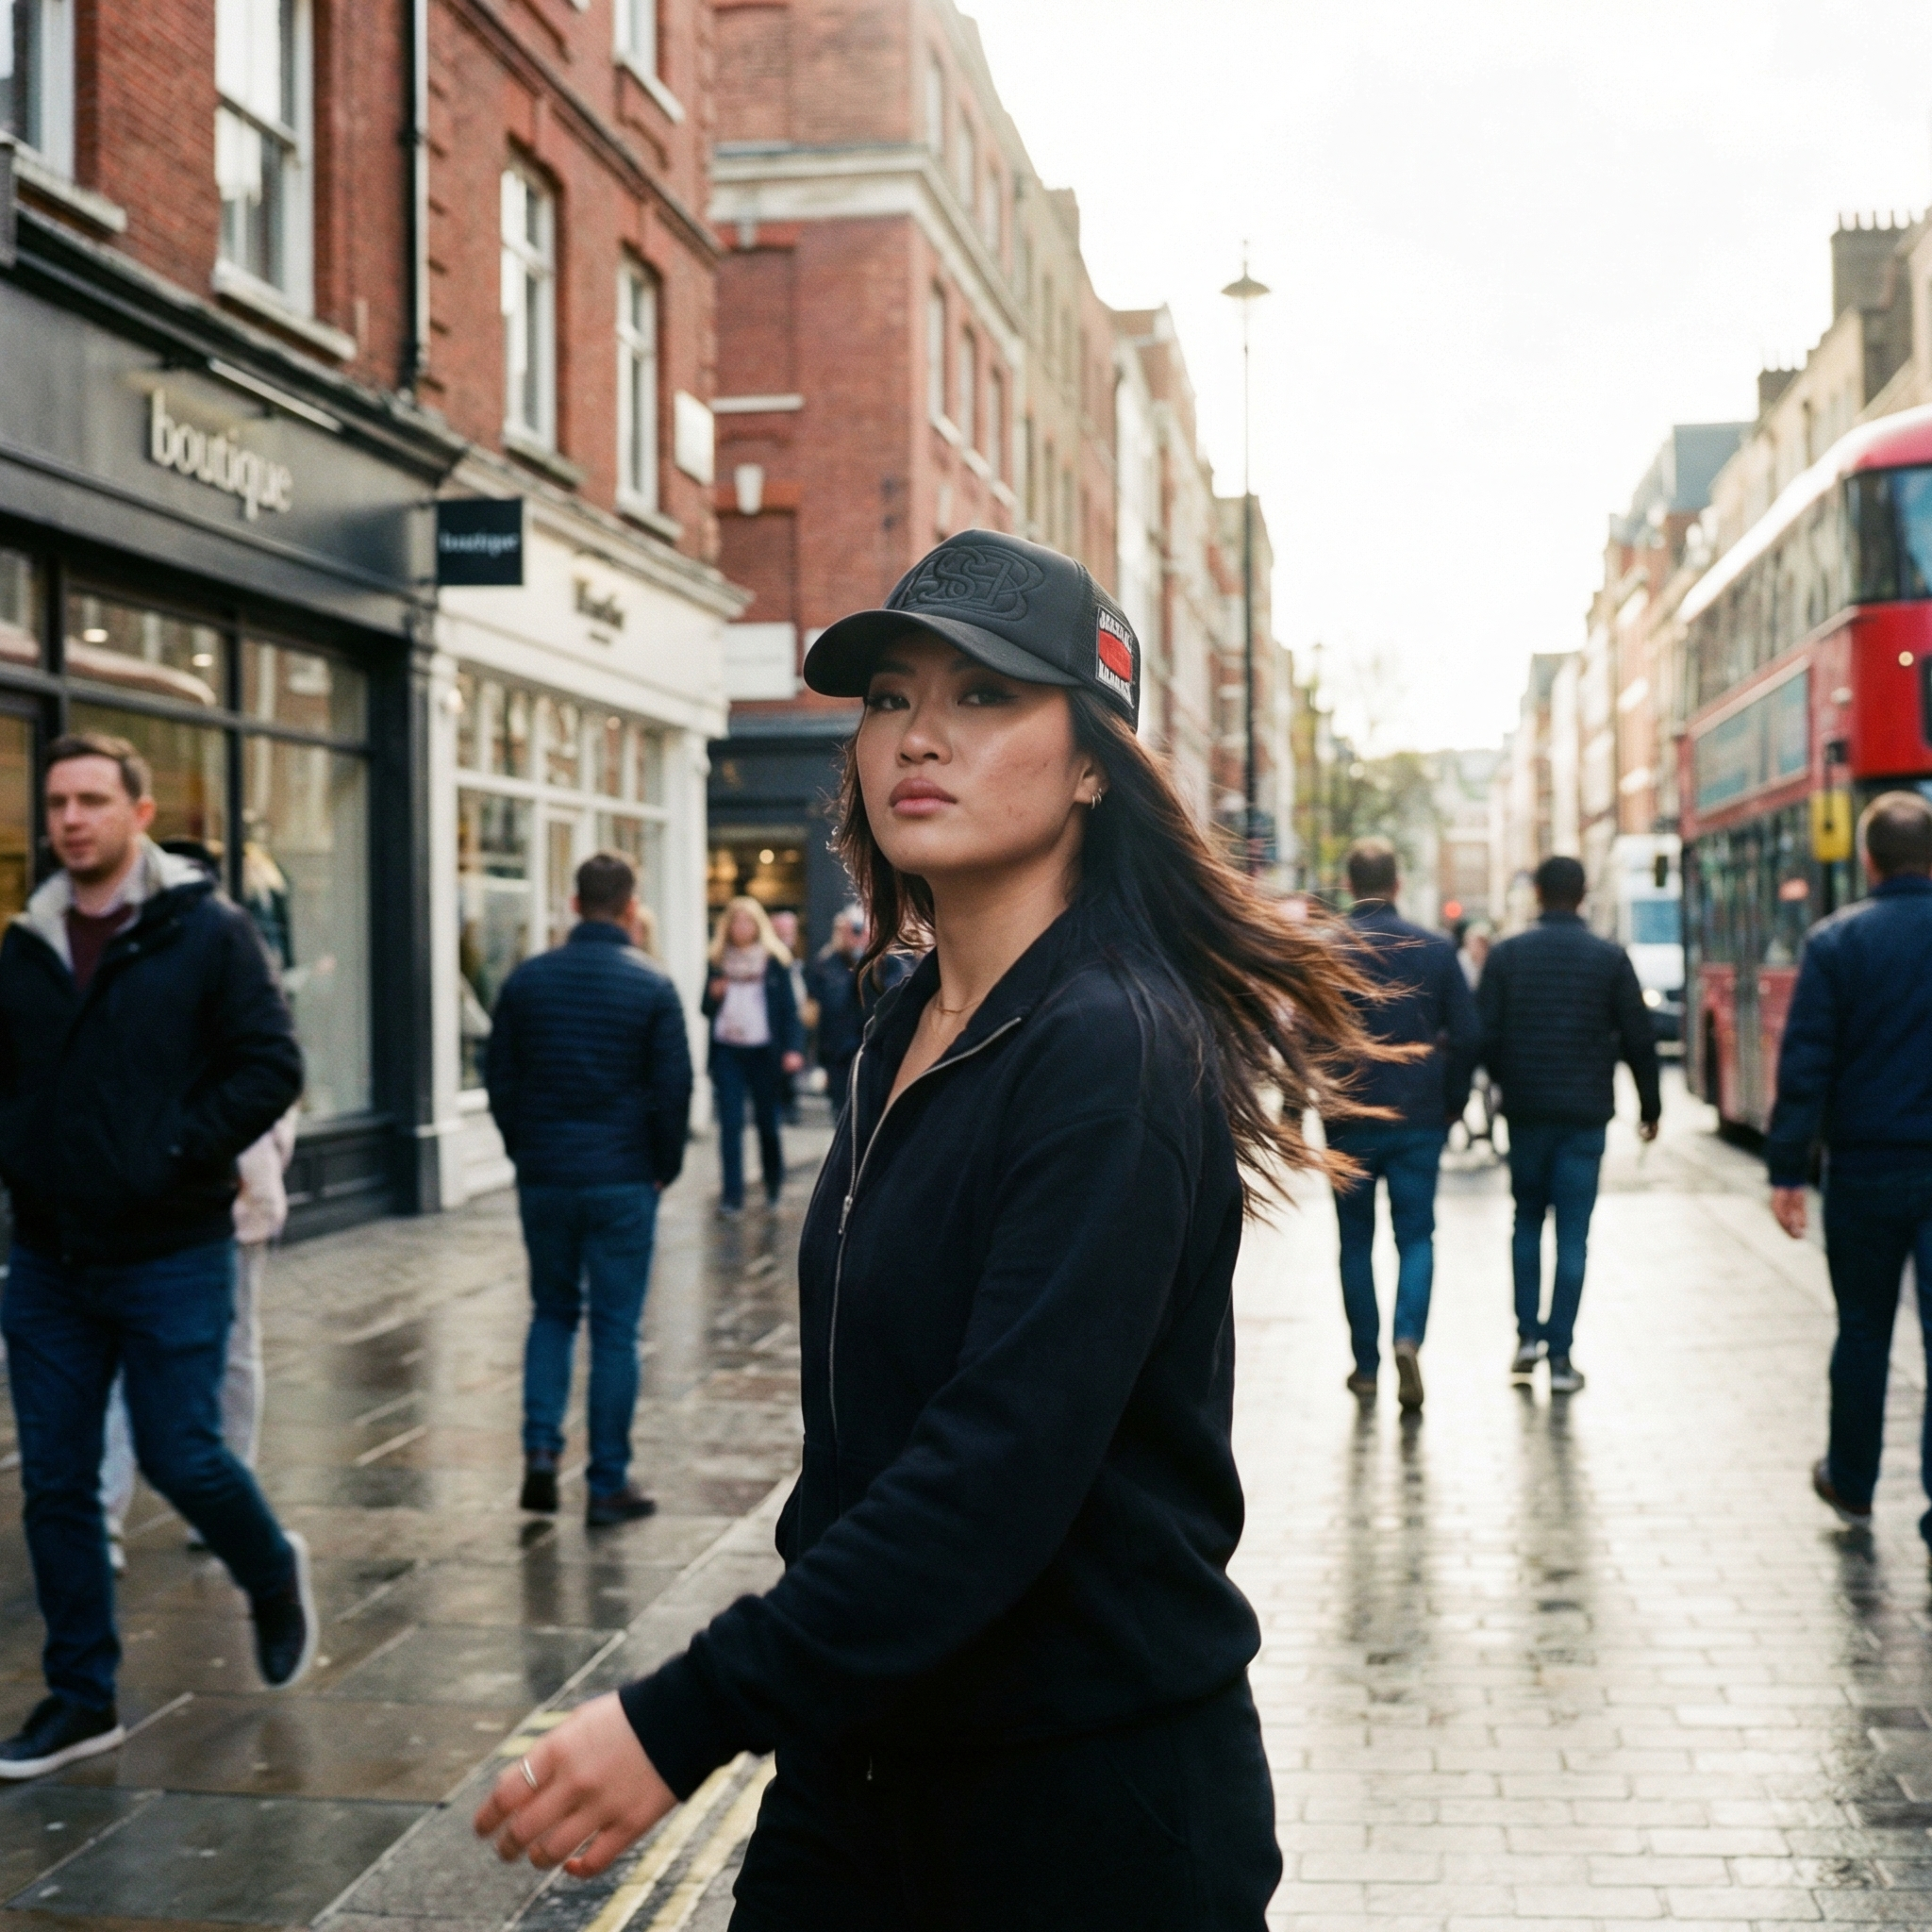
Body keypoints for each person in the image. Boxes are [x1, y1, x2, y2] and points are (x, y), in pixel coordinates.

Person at [475, 526, 1383, 1926]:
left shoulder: (1112, 1045)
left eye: (983, 696)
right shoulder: (902, 1016)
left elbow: (994, 1467)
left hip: (1081, 1805)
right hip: (864, 1765)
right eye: (890, 696)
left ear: (1091, 765)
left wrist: (685, 1715)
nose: (916, 735)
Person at [0, 733, 312, 1780]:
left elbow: (270, 1064)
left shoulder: (207, 931)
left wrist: (174, 1150)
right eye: (57, 803)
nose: (71, 819)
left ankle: (269, 1569)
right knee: (58, 1481)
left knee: (183, 1455)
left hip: (171, 1247)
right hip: (50, 1258)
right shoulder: (29, 941)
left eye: (92, 800)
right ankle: (81, 1697)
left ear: (138, 813)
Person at [485, 852, 692, 1529]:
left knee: (551, 1311)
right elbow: (674, 1090)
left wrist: (523, 1150)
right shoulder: (652, 986)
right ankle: (607, 1482)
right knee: (614, 1330)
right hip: (622, 1175)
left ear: (574, 905)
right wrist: (662, 1166)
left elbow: (500, 1079)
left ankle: (542, 1451)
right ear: (630, 908)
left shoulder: (527, 981)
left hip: (546, 1174)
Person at [1764, 791, 1932, 1537]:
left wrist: (1787, 1171)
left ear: (1869, 860)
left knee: (1862, 1330)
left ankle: (1854, 1481)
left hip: (1864, 1170)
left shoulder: (1836, 943)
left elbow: (1806, 1064)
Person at [1478, 854, 1660, 1393]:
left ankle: (1525, 1338)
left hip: (1527, 1113)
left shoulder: (1507, 956)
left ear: (1536, 893)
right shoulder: (1610, 958)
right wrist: (1650, 1108)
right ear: (1582, 896)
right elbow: (1639, 1038)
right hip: (1584, 1117)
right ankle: (1560, 1355)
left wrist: (1503, 1081)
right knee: (1574, 1235)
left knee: (1526, 1221)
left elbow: (1484, 1034)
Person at [100, 1104, 299, 1570]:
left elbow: (272, 1084)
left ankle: (225, 1505)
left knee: (235, 1350)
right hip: (137, 1199)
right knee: (124, 1352)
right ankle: (103, 1511)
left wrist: (258, 1154)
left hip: (236, 1199)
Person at [1325, 838, 1477, 1412]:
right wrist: (1453, 1101)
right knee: (1416, 1237)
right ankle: (1407, 1337)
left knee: (1354, 1242)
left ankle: (1365, 1366)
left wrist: (1307, 1101)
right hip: (1418, 1115)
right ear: (1396, 884)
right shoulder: (1435, 949)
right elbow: (1468, 1034)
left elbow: (1304, 1036)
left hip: (1347, 1117)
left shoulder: (1325, 948)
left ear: (1348, 884)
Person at [702, 897, 804, 1214]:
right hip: (728, 1050)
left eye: (747, 921)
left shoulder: (774, 960)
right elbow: (705, 1008)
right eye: (736, 922)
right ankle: (732, 1195)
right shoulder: (717, 960)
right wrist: (714, 995)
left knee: (767, 1123)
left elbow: (789, 1010)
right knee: (730, 1125)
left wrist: (793, 1048)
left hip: (764, 1052)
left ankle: (773, 1184)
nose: (742, 928)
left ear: (758, 925)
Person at [804, 905, 910, 1113]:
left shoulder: (889, 962)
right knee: (842, 1110)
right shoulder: (827, 963)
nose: (858, 935)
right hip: (840, 1051)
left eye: (863, 930)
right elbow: (829, 1006)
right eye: (853, 929)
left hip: (878, 1049)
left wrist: (871, 958)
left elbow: (891, 999)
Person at [769, 910, 811, 1124]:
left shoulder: (796, 961)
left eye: (790, 932)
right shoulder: (774, 961)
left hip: (796, 1023)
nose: (787, 937)